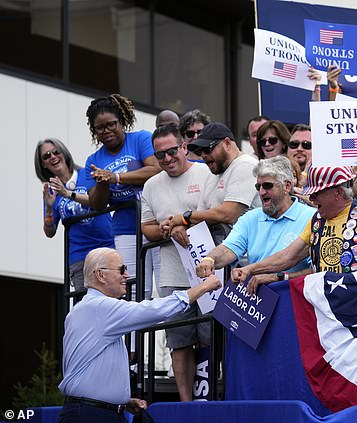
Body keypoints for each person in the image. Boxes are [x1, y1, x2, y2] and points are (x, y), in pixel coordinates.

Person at [58, 247, 220, 423]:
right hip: (91, 415)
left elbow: (91, 368)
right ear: (100, 275)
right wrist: (203, 287)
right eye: (121, 269)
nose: (127, 275)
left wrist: (122, 400)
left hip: (95, 412)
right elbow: (154, 310)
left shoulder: (85, 310)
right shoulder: (99, 308)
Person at [231, 141, 357, 294]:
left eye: (317, 193)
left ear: (337, 192)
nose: (311, 199)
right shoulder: (316, 220)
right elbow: (287, 257)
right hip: (327, 313)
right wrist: (250, 269)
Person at [140, 125, 217, 401]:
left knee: (211, 337)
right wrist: (164, 229)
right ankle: (186, 404)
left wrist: (183, 221)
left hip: (208, 267)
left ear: (184, 147)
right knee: (179, 342)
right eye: (160, 155)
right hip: (173, 273)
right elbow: (145, 226)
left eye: (172, 151)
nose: (168, 159)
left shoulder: (205, 173)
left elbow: (219, 214)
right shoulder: (151, 185)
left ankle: (212, 398)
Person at [195, 156, 315, 292]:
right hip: (257, 301)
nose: (262, 192)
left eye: (268, 186)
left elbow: (316, 270)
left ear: (287, 186)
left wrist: (279, 277)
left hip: (296, 298)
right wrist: (210, 259)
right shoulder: (250, 218)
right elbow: (227, 250)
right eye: (258, 186)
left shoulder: (311, 217)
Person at [84, 93, 161, 300]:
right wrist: (102, 183)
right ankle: (136, 335)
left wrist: (116, 177)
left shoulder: (141, 139)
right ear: (94, 131)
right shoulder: (94, 160)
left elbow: (155, 169)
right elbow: (96, 204)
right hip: (126, 228)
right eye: (100, 128)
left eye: (111, 124)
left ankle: (171, 333)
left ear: (123, 121)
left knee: (164, 286)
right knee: (134, 290)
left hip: (157, 221)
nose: (106, 131)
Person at [35, 138, 114, 290]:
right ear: (43, 164)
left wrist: (67, 193)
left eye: (56, 152)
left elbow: (98, 202)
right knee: (85, 307)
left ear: (63, 153)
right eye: (46, 156)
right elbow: (49, 232)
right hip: (80, 256)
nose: (52, 156)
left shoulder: (86, 174)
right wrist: (50, 209)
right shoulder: (51, 191)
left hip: (107, 247)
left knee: (112, 303)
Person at [170, 122, 260, 234]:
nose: (203, 155)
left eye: (207, 149)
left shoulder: (246, 165)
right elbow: (200, 217)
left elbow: (228, 214)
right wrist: (181, 226)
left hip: (248, 248)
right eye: (199, 151)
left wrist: (185, 218)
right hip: (223, 247)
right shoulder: (213, 174)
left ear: (227, 143)